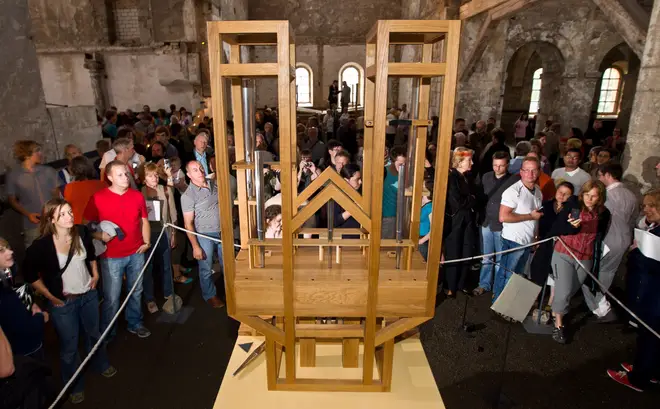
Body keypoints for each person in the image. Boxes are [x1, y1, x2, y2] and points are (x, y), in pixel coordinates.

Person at [25, 199, 116, 404]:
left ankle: (100, 364)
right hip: (64, 303)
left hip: (88, 296)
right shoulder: (41, 246)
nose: (70, 217)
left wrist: (95, 274)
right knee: (69, 346)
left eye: (69, 212)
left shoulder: (80, 232)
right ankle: (74, 383)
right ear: (51, 219)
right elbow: (30, 274)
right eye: (63, 214)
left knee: (94, 334)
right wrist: (49, 296)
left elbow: (91, 254)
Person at [84, 160, 152, 339]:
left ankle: (135, 323)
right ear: (109, 177)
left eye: (126, 173)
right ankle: (108, 330)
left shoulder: (137, 196)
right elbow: (86, 225)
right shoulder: (98, 198)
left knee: (136, 291)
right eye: (120, 174)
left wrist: (147, 242)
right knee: (112, 297)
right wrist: (99, 236)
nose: (125, 178)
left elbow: (144, 220)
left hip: (136, 252)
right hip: (111, 256)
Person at [609, 190, 660, 391]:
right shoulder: (655, 227)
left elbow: (651, 262)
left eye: (650, 206)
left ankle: (639, 377)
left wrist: (638, 253)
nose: (645, 209)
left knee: (650, 334)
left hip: (654, 295)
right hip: (650, 289)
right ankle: (649, 370)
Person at [551, 180, 611, 344]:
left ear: (599, 198)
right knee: (563, 291)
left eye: (594, 196)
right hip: (564, 253)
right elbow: (556, 228)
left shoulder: (603, 213)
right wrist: (571, 228)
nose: (589, 199)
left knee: (572, 289)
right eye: (587, 194)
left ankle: (557, 307)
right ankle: (558, 325)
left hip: (586, 256)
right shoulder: (573, 207)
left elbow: (601, 234)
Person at [492, 156, 543, 303]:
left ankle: (510, 304)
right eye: (526, 170)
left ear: (539, 172)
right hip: (513, 239)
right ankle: (498, 303)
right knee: (506, 273)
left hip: (527, 241)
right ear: (521, 172)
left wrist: (535, 237)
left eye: (533, 170)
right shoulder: (513, 192)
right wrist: (529, 216)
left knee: (517, 275)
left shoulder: (538, 191)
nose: (530, 174)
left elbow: (537, 217)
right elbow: (503, 217)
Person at [592, 162, 638, 322]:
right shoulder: (631, 195)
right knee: (608, 272)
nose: (599, 178)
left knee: (591, 272)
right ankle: (601, 301)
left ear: (607, 175)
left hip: (608, 239)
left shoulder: (606, 195)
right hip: (624, 238)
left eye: (600, 175)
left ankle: (600, 306)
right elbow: (633, 219)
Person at [181, 161, 225, 308]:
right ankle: (210, 295)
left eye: (200, 167)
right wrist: (195, 246)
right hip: (205, 235)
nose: (199, 171)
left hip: (223, 231)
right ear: (188, 175)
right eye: (194, 170)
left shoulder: (214, 184)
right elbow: (188, 223)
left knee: (228, 265)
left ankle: (231, 292)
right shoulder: (188, 196)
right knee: (206, 268)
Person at [473, 152, 516, 296]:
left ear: (508, 165)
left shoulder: (514, 180)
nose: (497, 168)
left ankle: (498, 288)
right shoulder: (485, 177)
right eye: (495, 165)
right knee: (486, 257)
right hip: (486, 222)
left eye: (501, 165)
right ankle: (484, 284)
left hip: (502, 225)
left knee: (500, 259)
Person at [7, 140, 61, 248]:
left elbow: (57, 194)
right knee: (36, 253)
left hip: (54, 220)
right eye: (37, 151)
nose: (41, 153)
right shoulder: (14, 175)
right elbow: (12, 200)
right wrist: (28, 214)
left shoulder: (48, 171)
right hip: (32, 223)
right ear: (26, 154)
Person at [0, 238, 47, 360]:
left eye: (8, 248)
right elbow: (24, 327)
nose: (10, 252)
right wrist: (41, 317)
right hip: (24, 350)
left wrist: (29, 303)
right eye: (1, 251)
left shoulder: (7, 275)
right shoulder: (4, 295)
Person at [529, 182, 577, 288]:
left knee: (556, 274)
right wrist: (536, 239)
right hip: (544, 242)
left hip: (561, 245)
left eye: (566, 194)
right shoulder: (546, 205)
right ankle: (535, 297)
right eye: (560, 192)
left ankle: (551, 300)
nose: (562, 195)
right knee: (537, 270)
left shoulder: (572, 209)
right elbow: (538, 223)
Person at [443, 147, 477, 297]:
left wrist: (471, 200)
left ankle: (461, 284)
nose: (473, 163)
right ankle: (450, 286)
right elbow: (458, 202)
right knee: (454, 252)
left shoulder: (468, 177)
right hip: (456, 221)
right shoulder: (452, 178)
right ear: (459, 162)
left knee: (467, 251)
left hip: (468, 221)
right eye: (469, 160)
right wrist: (472, 200)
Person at [64, 156, 107, 225]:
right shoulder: (103, 184)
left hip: (79, 225)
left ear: (72, 170)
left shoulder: (70, 187)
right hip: (102, 223)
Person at [382, 146, 407, 239]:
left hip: (404, 217)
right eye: (400, 164)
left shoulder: (407, 174)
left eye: (404, 164)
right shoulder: (384, 171)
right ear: (393, 161)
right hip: (388, 217)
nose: (402, 167)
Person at [333, 164, 363, 230]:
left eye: (360, 178)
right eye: (357, 179)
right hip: (345, 236)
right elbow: (334, 221)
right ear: (346, 180)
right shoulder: (337, 195)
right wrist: (354, 208)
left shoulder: (362, 192)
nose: (360, 182)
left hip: (362, 235)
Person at [418, 177, 434, 262]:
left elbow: (433, 230)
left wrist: (421, 241)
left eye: (423, 186)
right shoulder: (418, 201)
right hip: (414, 239)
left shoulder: (430, 207)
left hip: (422, 242)